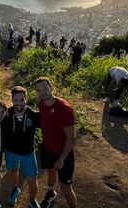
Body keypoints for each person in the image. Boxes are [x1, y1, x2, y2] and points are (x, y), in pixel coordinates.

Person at [34, 77, 77, 208]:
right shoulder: (41, 104)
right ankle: (50, 192)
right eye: (39, 90)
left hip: (64, 154)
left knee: (66, 189)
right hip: (48, 149)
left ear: (52, 88)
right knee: (51, 171)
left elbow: (71, 138)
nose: (42, 92)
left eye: (45, 88)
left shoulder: (64, 108)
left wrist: (62, 159)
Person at [3, 86, 41, 208]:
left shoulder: (34, 115)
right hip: (11, 152)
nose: (19, 103)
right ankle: (15, 189)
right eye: (16, 100)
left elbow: (49, 126)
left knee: (33, 181)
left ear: (26, 100)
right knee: (13, 170)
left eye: (21, 99)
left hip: (28, 153)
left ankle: (32, 200)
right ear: (12, 100)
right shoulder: (7, 114)